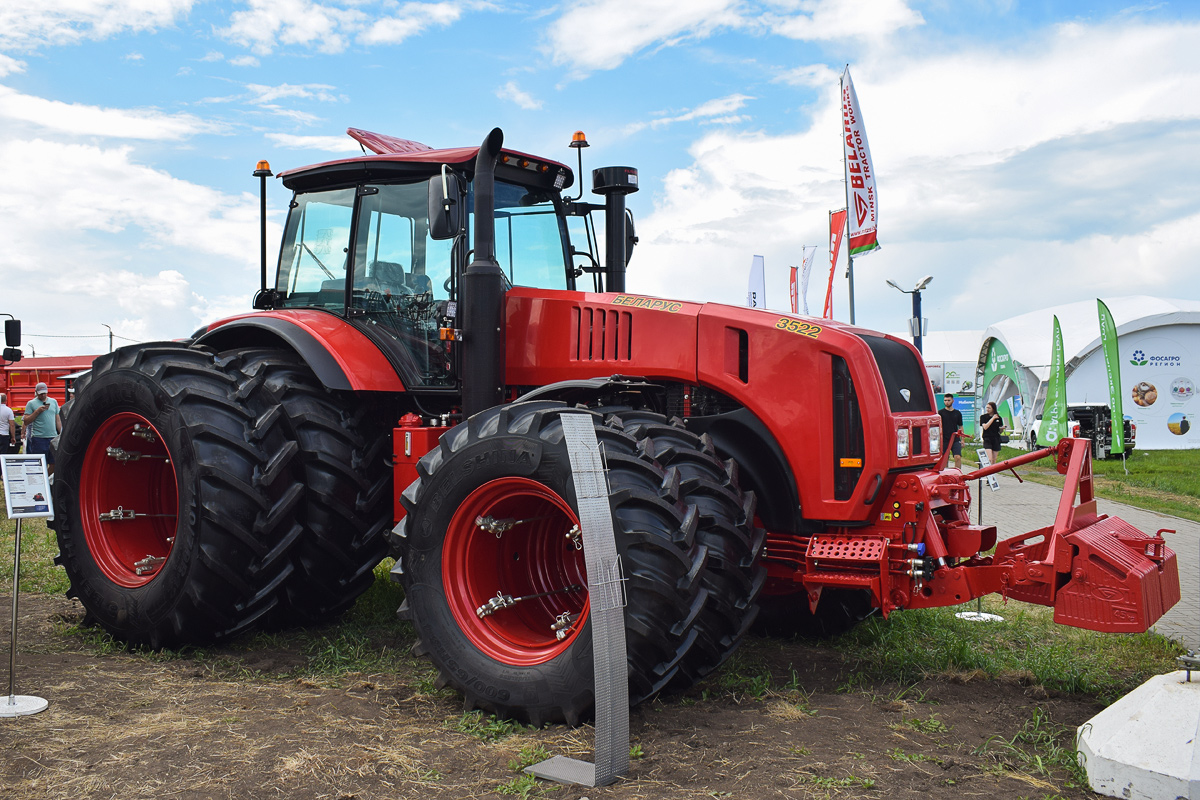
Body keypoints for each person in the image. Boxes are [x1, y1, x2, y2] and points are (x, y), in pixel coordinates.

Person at [24, 382, 61, 475]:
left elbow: (58, 420)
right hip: (38, 438)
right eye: (40, 394)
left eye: (44, 393)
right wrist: (37, 412)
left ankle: (45, 480)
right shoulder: (31, 403)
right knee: (39, 463)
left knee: (54, 463)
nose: (43, 395)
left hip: (53, 437)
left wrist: (61, 434)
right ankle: (40, 480)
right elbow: (26, 421)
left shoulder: (53, 402)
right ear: (36, 392)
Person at [937, 393, 965, 470]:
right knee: (945, 459)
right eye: (945, 400)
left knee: (957, 457)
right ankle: (945, 475)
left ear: (953, 401)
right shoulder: (940, 413)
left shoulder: (957, 413)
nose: (947, 402)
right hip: (944, 439)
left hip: (955, 439)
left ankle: (958, 474)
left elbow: (960, 426)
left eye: (949, 400)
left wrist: (962, 439)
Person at [979, 401, 1005, 466]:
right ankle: (987, 471)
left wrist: (1001, 429)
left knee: (994, 459)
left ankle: (992, 473)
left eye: (989, 408)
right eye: (986, 408)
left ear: (993, 409)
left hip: (996, 438)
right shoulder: (983, 417)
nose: (987, 409)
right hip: (987, 438)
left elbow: (999, 431)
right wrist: (992, 418)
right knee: (989, 458)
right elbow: (985, 427)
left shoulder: (999, 418)